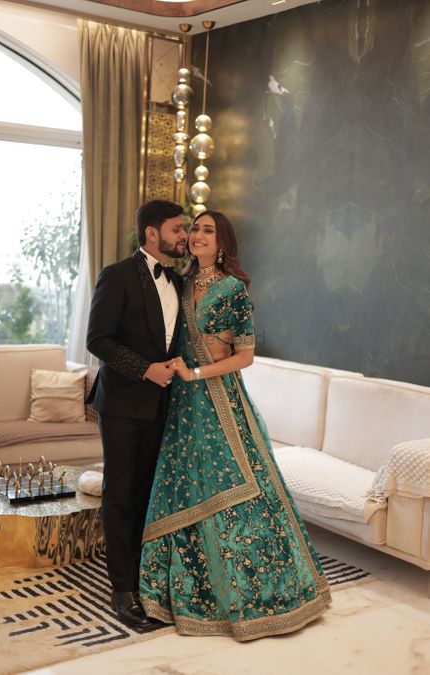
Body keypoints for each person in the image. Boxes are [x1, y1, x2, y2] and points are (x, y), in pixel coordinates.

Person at [139, 210, 331, 641]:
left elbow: (245, 357)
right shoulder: (182, 285)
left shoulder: (232, 291)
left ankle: (255, 592)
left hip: (219, 400)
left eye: (208, 231)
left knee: (234, 484)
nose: (197, 236)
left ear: (222, 243)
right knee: (186, 483)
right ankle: (187, 590)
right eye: (195, 230)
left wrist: (196, 374)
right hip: (183, 404)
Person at [86, 199, 187, 629]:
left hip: (166, 406)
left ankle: (147, 583)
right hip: (124, 404)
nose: (184, 236)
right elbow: (98, 340)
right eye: (178, 228)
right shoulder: (117, 275)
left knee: (149, 495)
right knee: (121, 495)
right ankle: (122, 591)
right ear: (152, 233)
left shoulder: (181, 283)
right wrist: (144, 369)